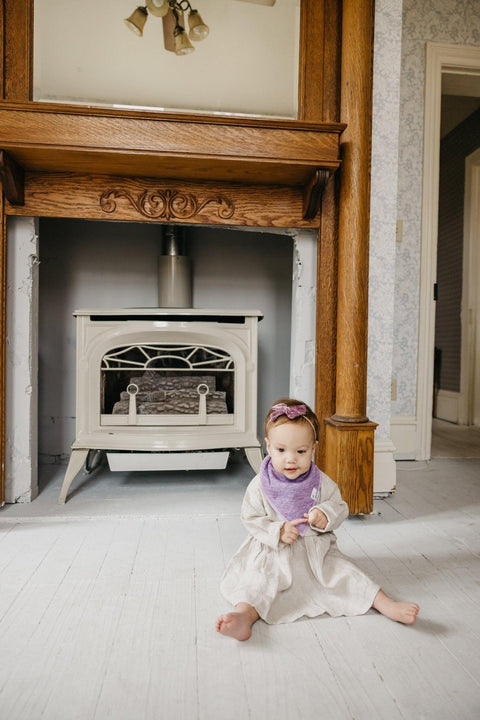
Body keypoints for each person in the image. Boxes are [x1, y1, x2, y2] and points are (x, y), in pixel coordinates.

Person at [216, 398, 420, 641]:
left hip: (316, 552)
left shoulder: (320, 481)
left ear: (313, 448)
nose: (291, 459)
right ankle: (244, 616)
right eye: (281, 450)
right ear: (268, 447)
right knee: (260, 582)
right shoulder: (261, 484)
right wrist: (277, 530)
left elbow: (339, 506)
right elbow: (250, 516)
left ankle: (386, 604)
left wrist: (325, 514)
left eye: (301, 451)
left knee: (347, 573)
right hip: (274, 553)